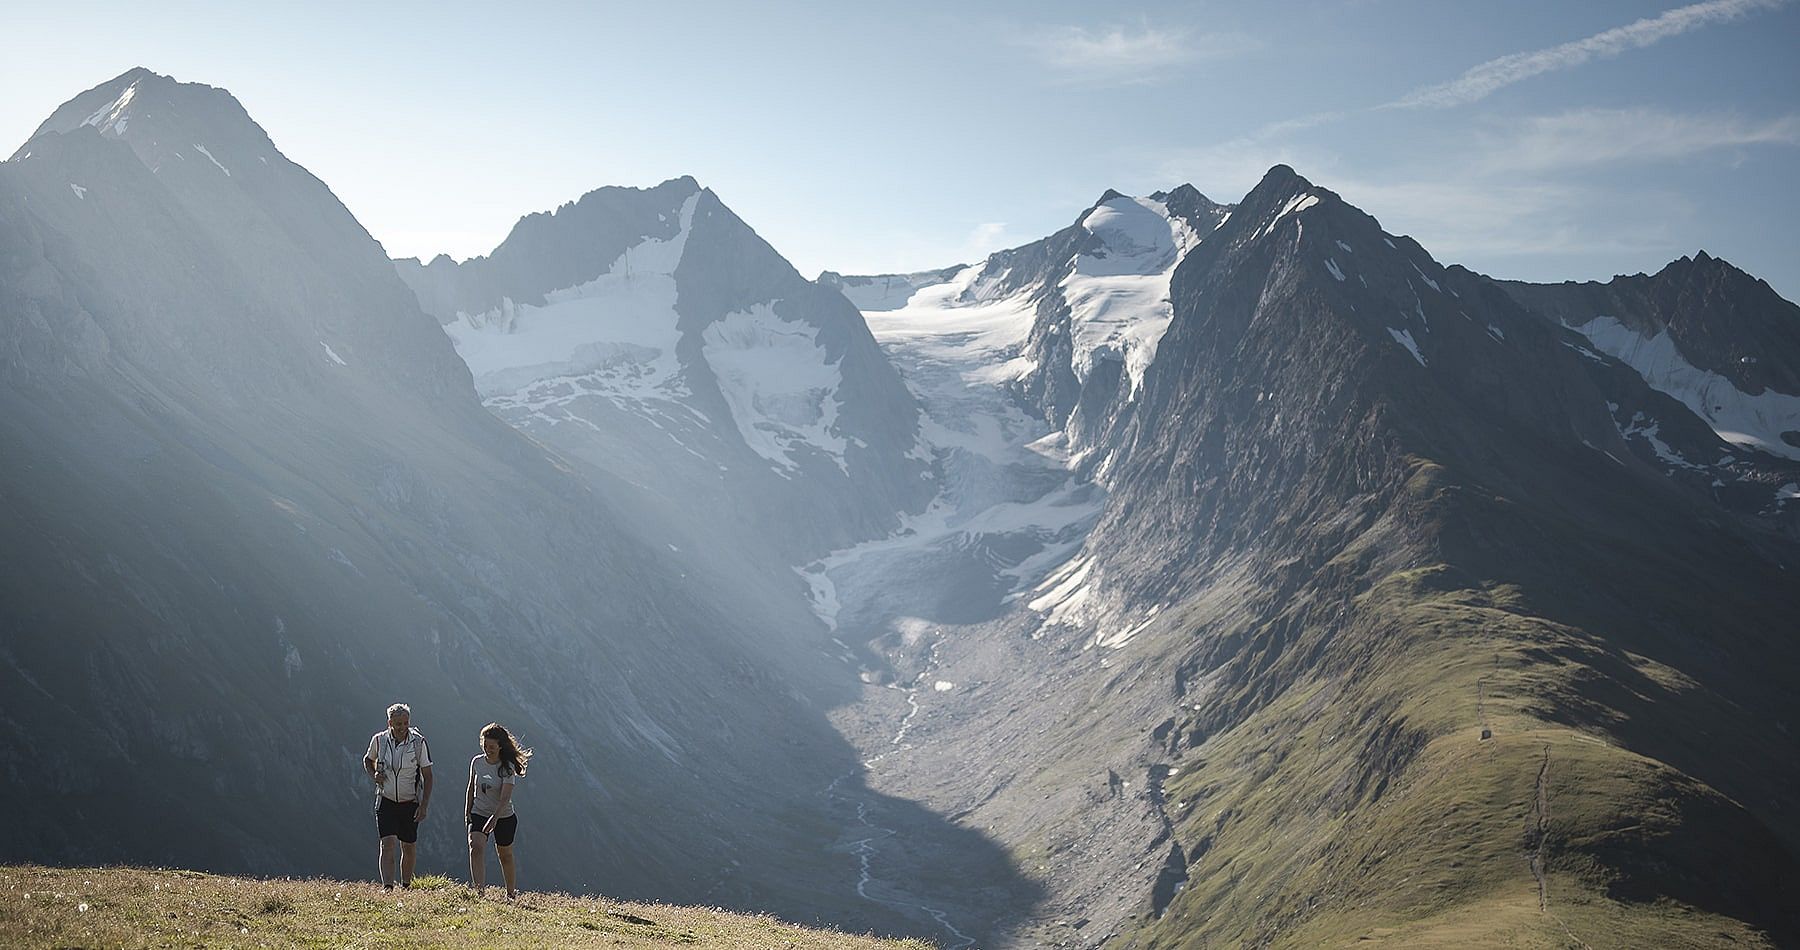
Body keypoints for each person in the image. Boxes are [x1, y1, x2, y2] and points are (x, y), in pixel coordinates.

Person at [363, 702, 433, 889]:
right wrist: (374, 775)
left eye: (405, 723)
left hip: (410, 802)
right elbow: (368, 760)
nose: (402, 728)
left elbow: (428, 775)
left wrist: (424, 805)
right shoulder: (379, 740)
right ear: (389, 723)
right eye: (398, 724)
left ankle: (406, 885)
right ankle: (387, 887)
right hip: (385, 800)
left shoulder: (418, 743)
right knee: (387, 844)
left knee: (408, 846)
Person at [466, 722, 531, 899]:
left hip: (503, 815)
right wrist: (468, 812)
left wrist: (494, 818)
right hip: (480, 811)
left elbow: (505, 798)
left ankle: (510, 893)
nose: (488, 750)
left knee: (505, 855)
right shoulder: (477, 762)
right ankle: (479, 892)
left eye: (492, 747)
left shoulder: (507, 767)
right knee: (476, 847)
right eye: (485, 746)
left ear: (500, 746)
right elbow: (471, 787)